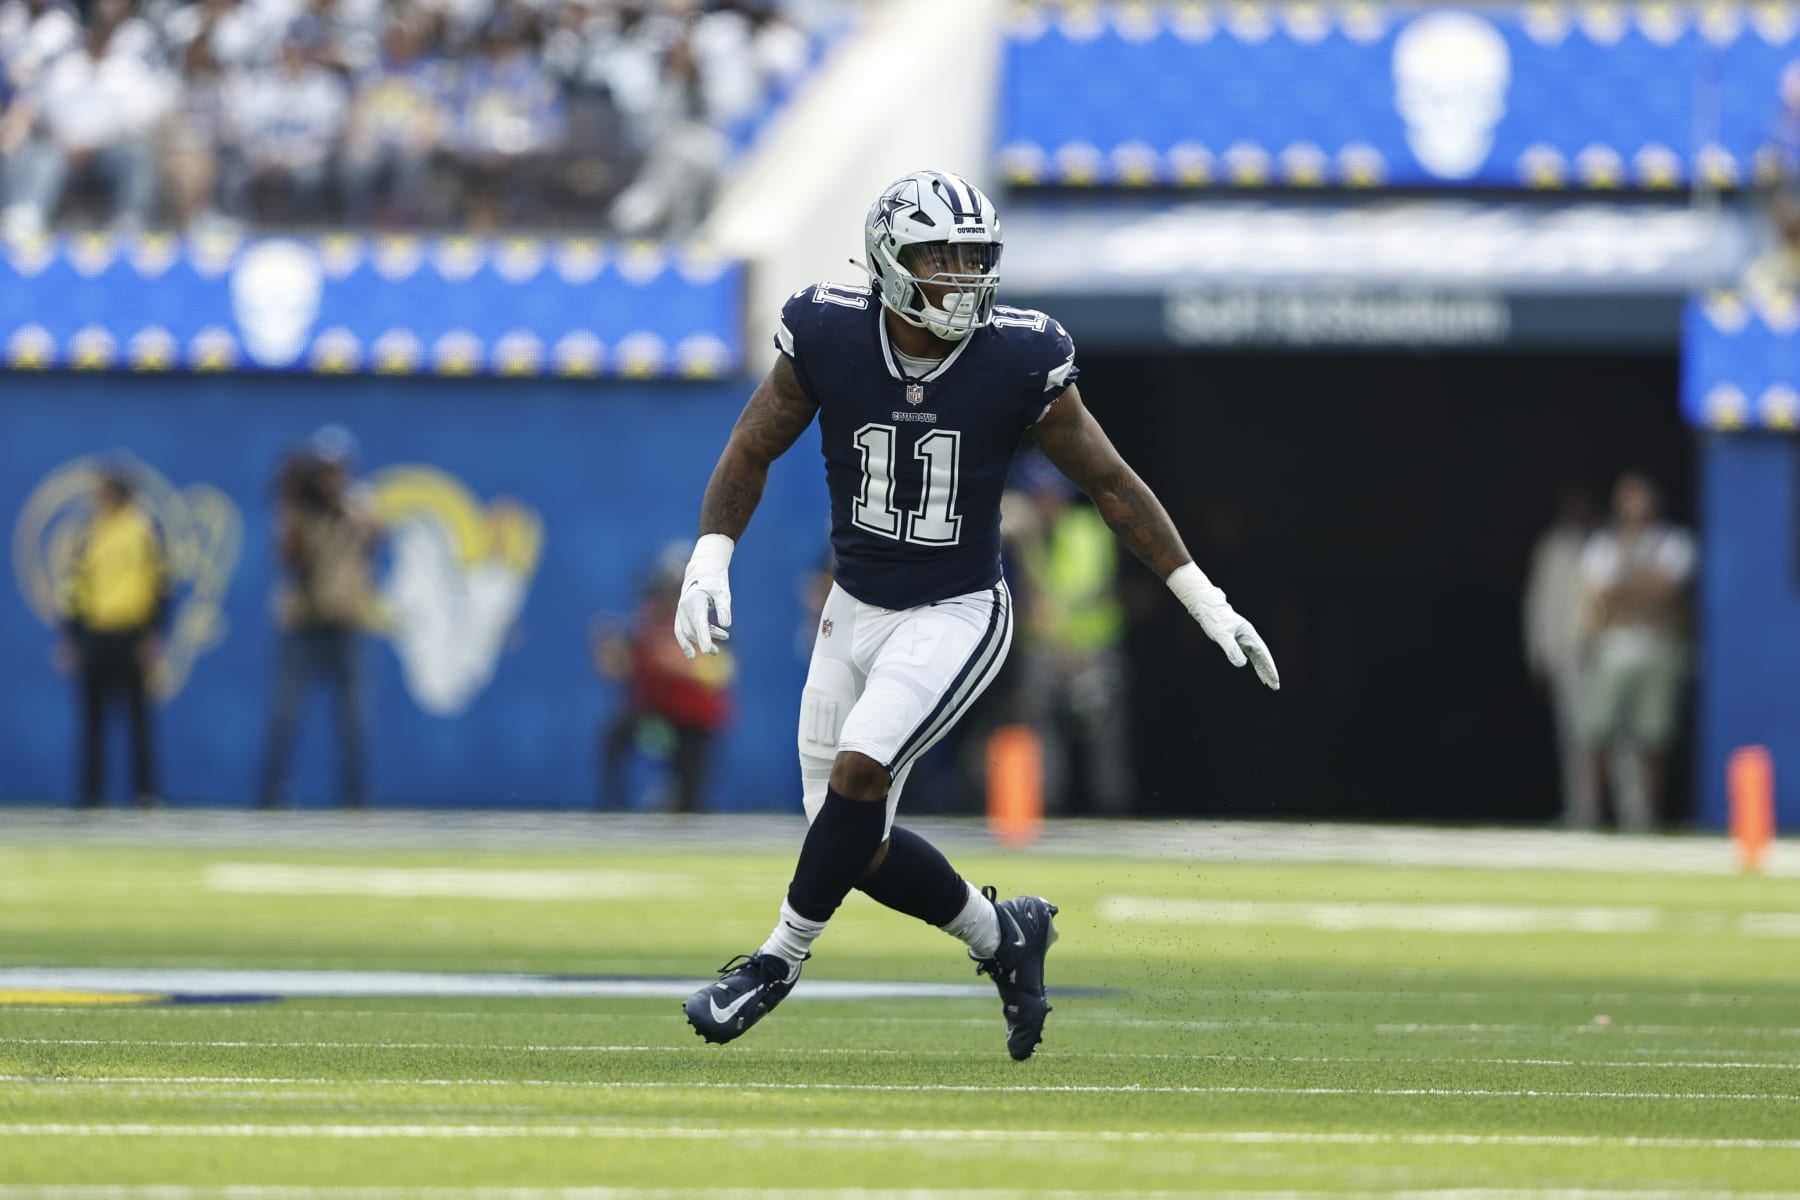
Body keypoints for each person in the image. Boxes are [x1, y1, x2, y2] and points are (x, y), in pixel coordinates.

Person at [673, 170, 1279, 1060]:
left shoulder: (1018, 354)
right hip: (857, 604)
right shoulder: (831, 331)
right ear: (888, 260)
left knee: (857, 776)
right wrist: (709, 556)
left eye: (973, 258)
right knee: (850, 840)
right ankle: (1004, 935)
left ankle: (773, 963)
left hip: (955, 609)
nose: (961, 276)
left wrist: (1203, 595)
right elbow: (754, 443)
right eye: (939, 258)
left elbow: (1109, 483)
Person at [259, 425, 380, 809]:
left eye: (337, 469)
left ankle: (355, 801)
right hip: (303, 628)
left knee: (354, 724)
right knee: (285, 718)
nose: (332, 477)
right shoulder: (299, 509)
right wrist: (292, 501)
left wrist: (345, 504)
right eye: (324, 470)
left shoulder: (359, 501)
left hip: (345, 627)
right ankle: (272, 797)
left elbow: (378, 537)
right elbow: (285, 557)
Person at [1577, 472, 1695, 831]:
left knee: (1653, 737)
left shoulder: (1674, 541)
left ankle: (1646, 815)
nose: (1636, 506)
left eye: (1642, 497)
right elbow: (1600, 592)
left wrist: (1625, 590)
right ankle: (1592, 814)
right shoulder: (1602, 544)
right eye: (1629, 497)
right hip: (1612, 651)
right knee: (1598, 733)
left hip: (1657, 650)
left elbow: (1667, 588)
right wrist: (1644, 588)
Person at [56, 466, 168, 808]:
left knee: (138, 720)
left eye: (102, 491)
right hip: (96, 635)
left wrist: (153, 634)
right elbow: (75, 587)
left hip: (131, 636)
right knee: (93, 721)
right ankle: (91, 796)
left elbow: (161, 586)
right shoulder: (89, 532)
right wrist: (71, 636)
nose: (96, 498)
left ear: (118, 492)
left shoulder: (144, 530)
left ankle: (145, 794)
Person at [594, 544, 735, 814]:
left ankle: (680, 807)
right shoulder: (648, 620)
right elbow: (620, 668)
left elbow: (722, 671)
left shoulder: (709, 620)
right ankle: (613, 810)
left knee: (690, 798)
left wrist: (681, 664)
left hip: (693, 723)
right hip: (655, 717)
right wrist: (612, 653)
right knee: (615, 736)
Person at [1523, 482, 1598, 827]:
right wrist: (1538, 651)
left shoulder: (1602, 544)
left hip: (1602, 654)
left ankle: (1633, 813)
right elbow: (1538, 604)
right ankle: (1582, 811)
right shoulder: (1552, 548)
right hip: (1565, 654)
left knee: (1616, 735)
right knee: (1573, 735)